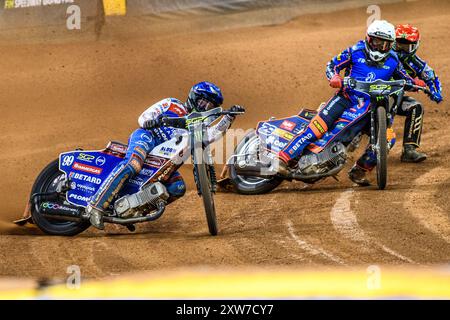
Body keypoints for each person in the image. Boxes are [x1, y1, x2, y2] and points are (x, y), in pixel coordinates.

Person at [87, 81, 244, 229]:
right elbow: (144, 117)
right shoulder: (172, 104)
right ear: (194, 97)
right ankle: (96, 206)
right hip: (148, 137)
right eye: (203, 101)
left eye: (210, 105)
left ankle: (132, 211)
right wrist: (152, 122)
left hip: (164, 159)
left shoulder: (199, 126)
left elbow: (211, 135)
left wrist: (229, 117)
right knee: (133, 164)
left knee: (178, 187)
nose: (205, 107)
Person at [277, 20, 416, 171]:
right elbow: (332, 65)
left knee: (388, 139)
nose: (380, 47)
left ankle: (360, 170)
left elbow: (405, 78)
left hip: (373, 107)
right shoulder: (355, 51)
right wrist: (334, 77)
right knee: (316, 129)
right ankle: (282, 159)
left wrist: (416, 83)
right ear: (369, 39)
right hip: (346, 99)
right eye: (376, 42)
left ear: (391, 45)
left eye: (385, 44)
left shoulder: (394, 60)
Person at [348, 23, 443, 186]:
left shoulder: (416, 63)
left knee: (415, 107)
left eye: (407, 46)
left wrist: (436, 92)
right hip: (368, 95)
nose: (402, 48)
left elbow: (432, 77)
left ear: (415, 46)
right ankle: (350, 134)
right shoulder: (383, 55)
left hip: (394, 98)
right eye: (399, 44)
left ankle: (409, 149)